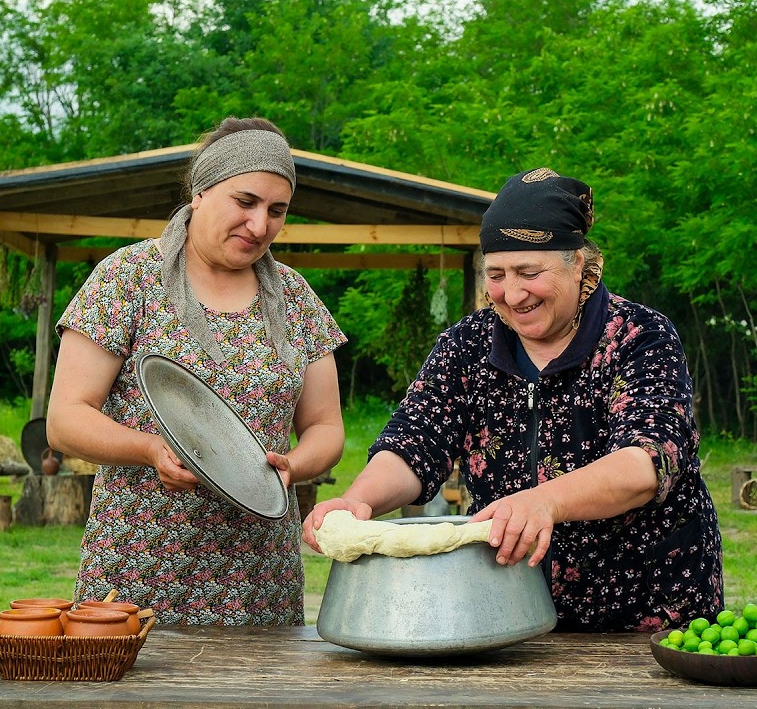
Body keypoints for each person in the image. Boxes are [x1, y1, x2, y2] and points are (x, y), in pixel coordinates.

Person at [303, 167, 722, 632]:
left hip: (645, 614)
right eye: (497, 274)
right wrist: (358, 501)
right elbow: (415, 443)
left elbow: (647, 462)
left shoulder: (639, 337)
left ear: (578, 263)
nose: (513, 293)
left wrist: (544, 502)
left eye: (529, 272)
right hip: (504, 612)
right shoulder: (467, 346)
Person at [47, 117, 346, 626]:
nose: (260, 226)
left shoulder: (295, 296)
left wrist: (294, 465)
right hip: (139, 564)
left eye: (278, 211)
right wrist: (148, 449)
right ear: (201, 191)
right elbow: (66, 418)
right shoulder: (128, 279)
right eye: (246, 202)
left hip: (259, 576)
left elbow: (325, 426)